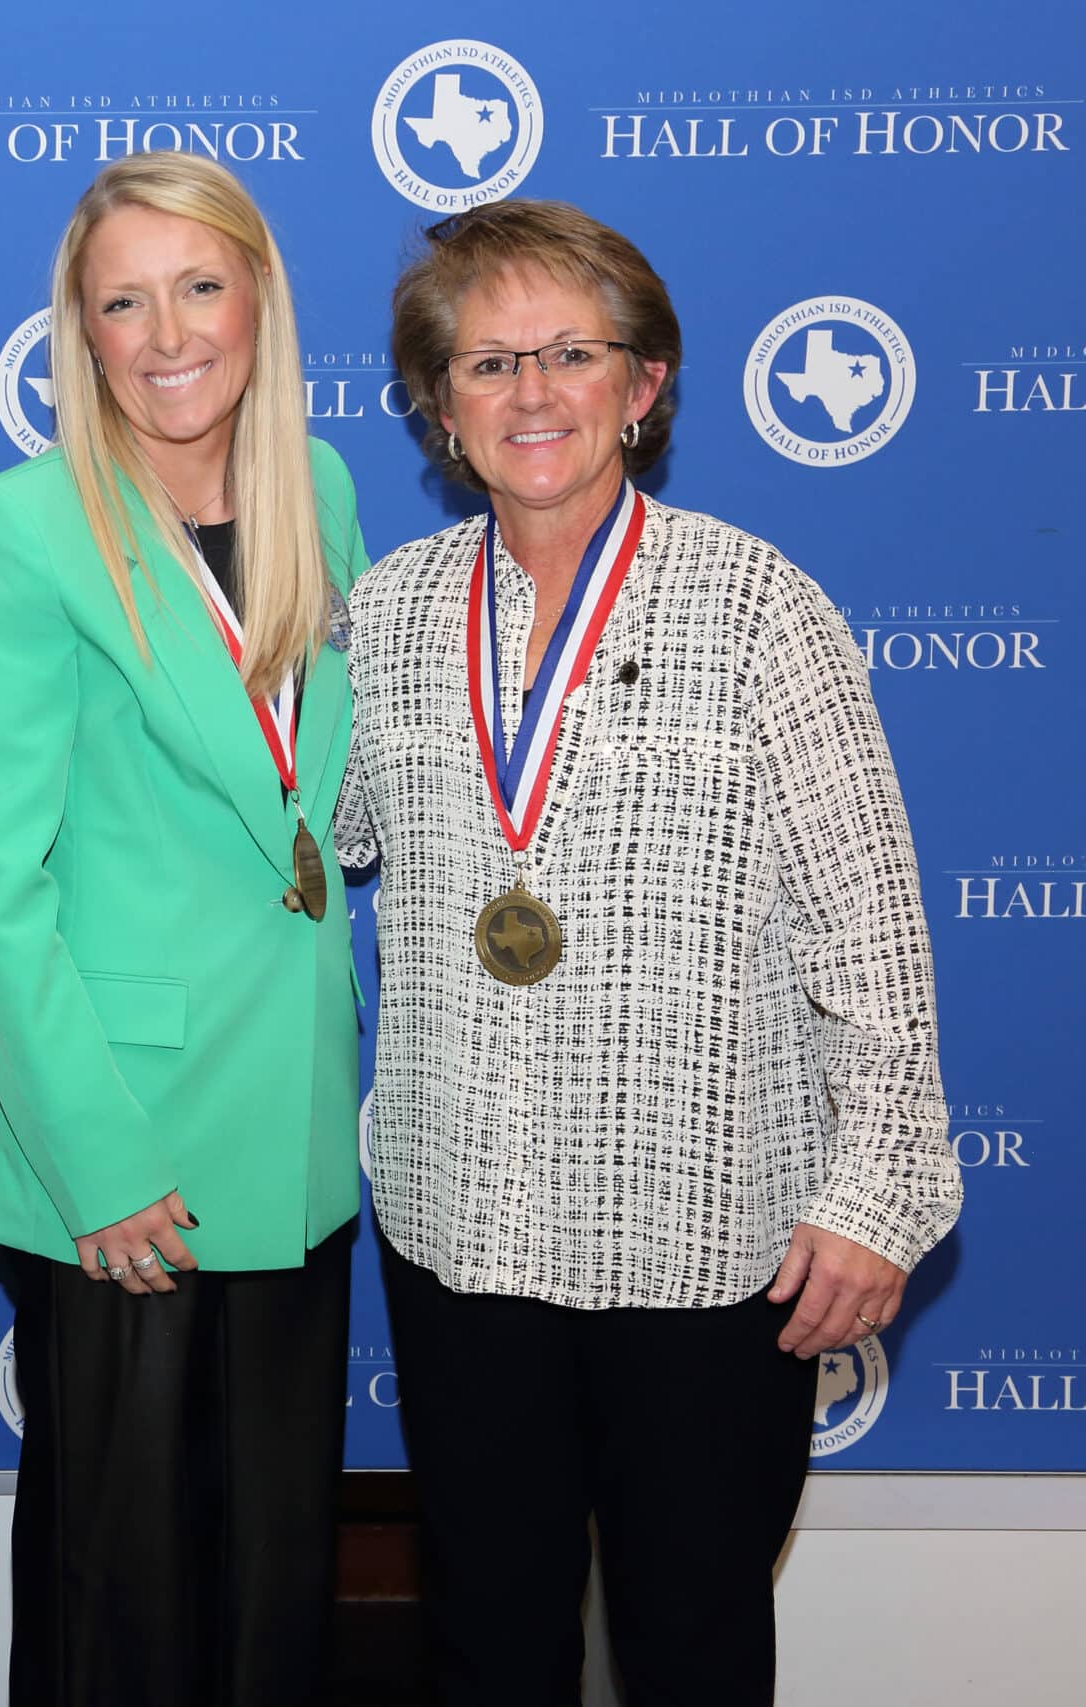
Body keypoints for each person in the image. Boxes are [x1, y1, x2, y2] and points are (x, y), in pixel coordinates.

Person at [336, 198, 961, 1706]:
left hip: (703, 1245)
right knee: (488, 1640)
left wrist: (876, 1196)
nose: (531, 394)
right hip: (461, 1225)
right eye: (486, 364)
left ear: (647, 382)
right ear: (438, 409)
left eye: (570, 354)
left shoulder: (759, 608)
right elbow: (304, 840)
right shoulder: (388, 613)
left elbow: (872, 932)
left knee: (691, 1645)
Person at [0, 150, 370, 1707]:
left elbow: (319, 800)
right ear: (83, 331)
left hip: (300, 1128)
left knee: (272, 1591)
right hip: (125, 1149)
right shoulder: (25, 525)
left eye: (198, 285)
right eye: (124, 302)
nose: (167, 331)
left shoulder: (319, 490)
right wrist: (97, 1162)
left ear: (258, 296)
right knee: (119, 1605)